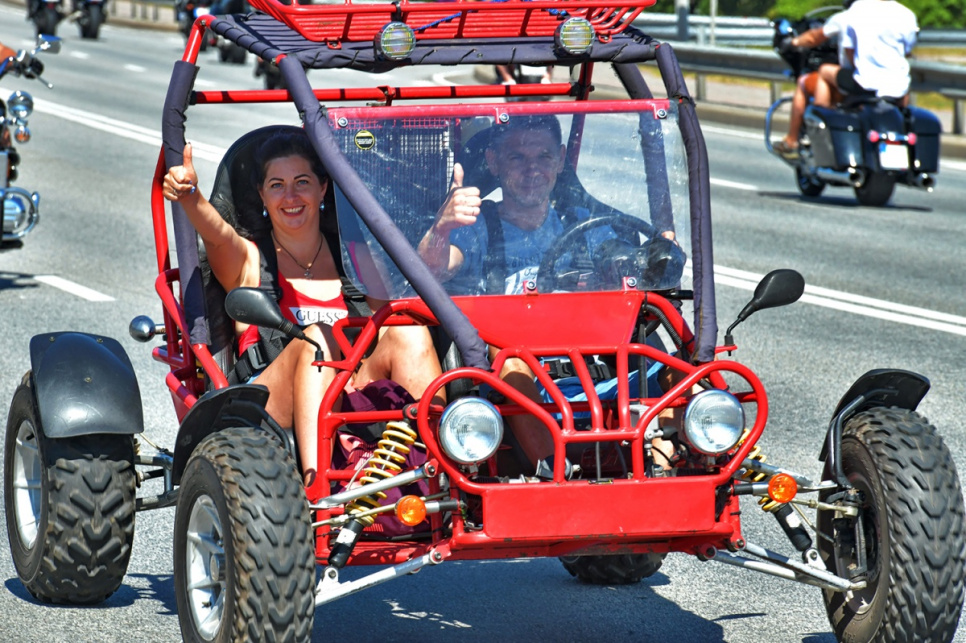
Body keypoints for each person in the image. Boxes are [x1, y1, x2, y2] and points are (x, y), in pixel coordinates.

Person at [164, 129, 443, 486]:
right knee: (318, 340)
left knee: (409, 332)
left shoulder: (355, 258)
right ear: (262, 195)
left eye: (302, 182)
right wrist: (190, 196)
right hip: (266, 403)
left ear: (323, 189)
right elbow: (217, 234)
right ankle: (320, 490)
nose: (290, 196)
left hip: (349, 388)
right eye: (277, 185)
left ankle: (439, 474)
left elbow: (390, 325)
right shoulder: (249, 258)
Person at [418, 115, 684, 477]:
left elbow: (622, 260)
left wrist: (655, 259)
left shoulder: (583, 223)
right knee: (509, 363)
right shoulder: (477, 227)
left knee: (683, 369)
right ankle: (558, 475)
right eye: (517, 158)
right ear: (494, 162)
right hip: (520, 382)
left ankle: (664, 464)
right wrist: (442, 228)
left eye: (543, 157)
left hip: (598, 367)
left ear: (560, 160)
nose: (532, 169)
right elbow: (430, 271)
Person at [775, 0, 918, 160]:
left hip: (864, 82)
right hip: (898, 85)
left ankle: (813, 131)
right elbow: (907, 49)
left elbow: (834, 44)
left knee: (821, 72)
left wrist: (793, 42)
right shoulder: (906, 15)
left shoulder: (853, 12)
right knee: (902, 87)